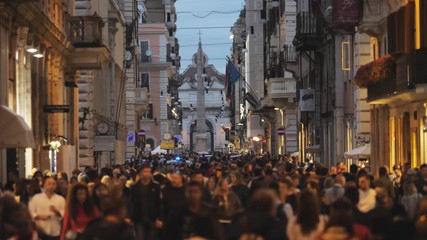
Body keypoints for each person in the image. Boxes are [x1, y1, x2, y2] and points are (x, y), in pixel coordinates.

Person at [130, 165, 162, 240]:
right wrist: (130, 217)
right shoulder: (135, 187)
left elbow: (159, 203)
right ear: (141, 173)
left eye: (149, 172)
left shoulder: (156, 186)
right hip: (138, 218)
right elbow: (131, 203)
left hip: (152, 218)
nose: (147, 174)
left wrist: (159, 218)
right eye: (145, 172)